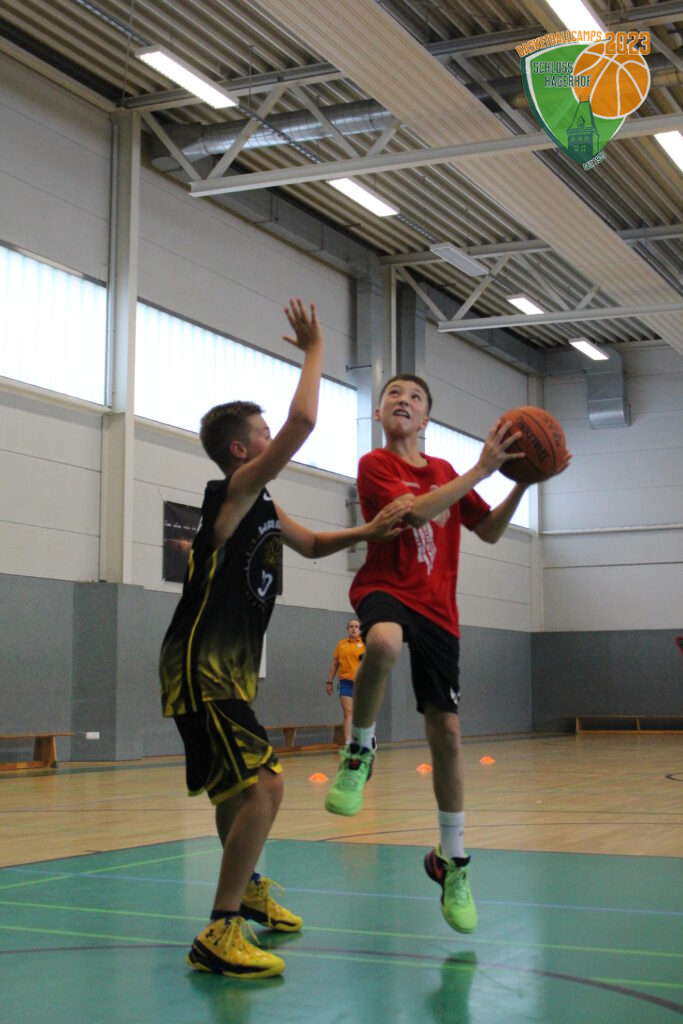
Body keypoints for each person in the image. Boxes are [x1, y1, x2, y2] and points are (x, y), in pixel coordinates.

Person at [159, 301, 413, 980]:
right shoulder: (233, 492)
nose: (275, 438)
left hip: (227, 670)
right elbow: (302, 424)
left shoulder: (264, 506)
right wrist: (315, 349)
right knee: (266, 787)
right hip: (202, 667)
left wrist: (370, 532)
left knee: (235, 792)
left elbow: (316, 543)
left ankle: (246, 892)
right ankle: (221, 929)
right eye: (263, 434)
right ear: (242, 451)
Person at [324, 373, 570, 935]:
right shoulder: (374, 465)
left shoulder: (446, 472)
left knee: (449, 733)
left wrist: (524, 483)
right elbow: (412, 515)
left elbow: (489, 531)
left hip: (438, 607)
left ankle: (451, 860)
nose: (403, 401)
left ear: (427, 418)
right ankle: (359, 751)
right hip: (387, 587)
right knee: (382, 642)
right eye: (393, 394)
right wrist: (481, 470)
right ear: (379, 413)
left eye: (415, 397)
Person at [326, 618, 365, 743]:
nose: (354, 628)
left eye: (356, 626)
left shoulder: (365, 644)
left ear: (360, 629)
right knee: (348, 712)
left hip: (361, 684)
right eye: (351, 626)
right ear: (348, 629)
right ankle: (348, 741)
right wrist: (329, 682)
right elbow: (334, 664)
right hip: (345, 682)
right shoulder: (341, 645)